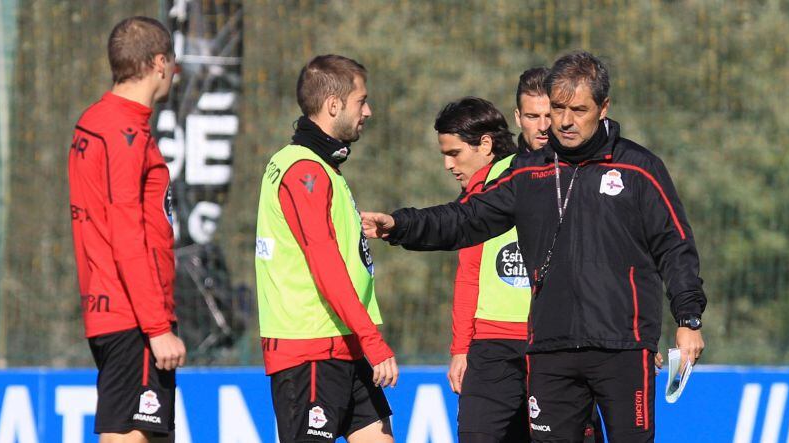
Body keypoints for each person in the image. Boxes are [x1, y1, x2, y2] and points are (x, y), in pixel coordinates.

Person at [363, 51, 706, 442]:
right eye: (557, 108)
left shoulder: (638, 168)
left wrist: (688, 319)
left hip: (622, 347)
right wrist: (400, 224)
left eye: (578, 109)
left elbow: (675, 246)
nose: (564, 121)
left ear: (603, 107)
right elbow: (465, 218)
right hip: (549, 349)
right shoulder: (529, 172)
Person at [255, 54, 396, 442]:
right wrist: (373, 340)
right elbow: (324, 262)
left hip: (342, 344)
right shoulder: (304, 169)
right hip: (312, 349)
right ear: (334, 106)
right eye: (360, 101)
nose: (367, 111)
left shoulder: (320, 165)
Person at [67, 16, 185, 442]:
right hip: (132, 316)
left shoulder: (95, 120)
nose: (175, 73)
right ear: (158, 62)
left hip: (112, 311)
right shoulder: (123, 132)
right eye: (173, 63)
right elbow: (126, 234)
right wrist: (156, 327)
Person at [435, 97, 529, 442]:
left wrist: (461, 348)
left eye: (455, 153)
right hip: (494, 343)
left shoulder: (518, 182)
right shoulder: (478, 193)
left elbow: (469, 276)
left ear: (485, 144)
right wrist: (460, 348)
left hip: (533, 345)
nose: (447, 164)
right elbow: (470, 274)